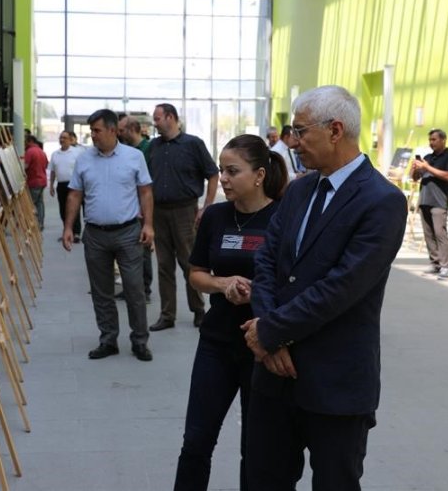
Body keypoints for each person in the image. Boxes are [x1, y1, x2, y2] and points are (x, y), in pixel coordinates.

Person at [241, 85, 407, 491]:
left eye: (300, 132)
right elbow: (266, 261)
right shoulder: (299, 190)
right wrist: (267, 329)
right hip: (274, 376)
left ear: (335, 130)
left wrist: (271, 332)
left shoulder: (382, 201)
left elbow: (343, 287)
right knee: (262, 478)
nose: (293, 143)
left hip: (335, 382)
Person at [174, 135, 288, 491]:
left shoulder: (283, 219)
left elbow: (293, 283)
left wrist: (260, 294)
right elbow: (196, 275)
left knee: (255, 450)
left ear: (258, 175)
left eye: (232, 171)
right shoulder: (215, 216)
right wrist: (223, 285)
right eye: (221, 170)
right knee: (196, 441)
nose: (222, 178)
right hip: (217, 343)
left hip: (261, 347)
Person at [63, 109, 155, 361]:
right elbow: (74, 194)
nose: (92, 135)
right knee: (101, 291)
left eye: (97, 130)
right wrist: (69, 227)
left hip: (128, 232)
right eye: (91, 131)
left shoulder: (134, 157)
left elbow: (146, 192)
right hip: (95, 234)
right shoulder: (83, 159)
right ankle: (108, 340)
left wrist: (148, 225)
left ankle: (139, 341)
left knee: (134, 289)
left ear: (113, 130)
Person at [148, 103, 220, 330]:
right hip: (158, 211)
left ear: (170, 117)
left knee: (190, 262)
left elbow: (213, 174)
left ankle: (199, 310)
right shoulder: (153, 147)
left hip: (185, 211)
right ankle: (167, 315)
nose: (155, 122)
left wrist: (206, 207)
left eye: (158, 118)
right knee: (163, 265)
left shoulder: (193, 144)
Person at [410, 128, 448, 280]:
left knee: (440, 233)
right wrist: (416, 170)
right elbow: (415, 178)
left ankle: (447, 267)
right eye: (430, 140)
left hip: (439, 201)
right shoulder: (428, 158)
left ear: (443, 140)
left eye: (434, 140)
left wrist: (427, 167)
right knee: (428, 234)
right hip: (425, 200)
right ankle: (435, 263)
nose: (431, 143)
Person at [118, 115, 154, 302]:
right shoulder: (126, 150)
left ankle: (144, 289)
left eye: (122, 130)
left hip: (142, 208)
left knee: (143, 250)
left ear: (132, 129)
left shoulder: (147, 150)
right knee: (129, 251)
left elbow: (147, 184)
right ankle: (130, 287)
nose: (119, 133)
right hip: (129, 208)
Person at [49, 130, 84, 243]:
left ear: (70, 140)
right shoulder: (55, 154)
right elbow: (53, 171)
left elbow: (82, 168)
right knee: (63, 209)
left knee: (74, 208)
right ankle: (67, 231)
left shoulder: (76, 152)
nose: (62, 140)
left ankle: (77, 232)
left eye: (64, 138)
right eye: (61, 138)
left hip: (74, 184)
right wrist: (51, 185)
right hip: (61, 184)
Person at [23, 134, 49, 231]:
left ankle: (31, 224)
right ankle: (40, 223)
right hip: (42, 181)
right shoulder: (41, 151)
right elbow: (46, 164)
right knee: (39, 203)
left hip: (34, 181)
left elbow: (25, 166)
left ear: (30, 141)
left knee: (30, 203)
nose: (24, 143)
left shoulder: (30, 151)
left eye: (25, 141)